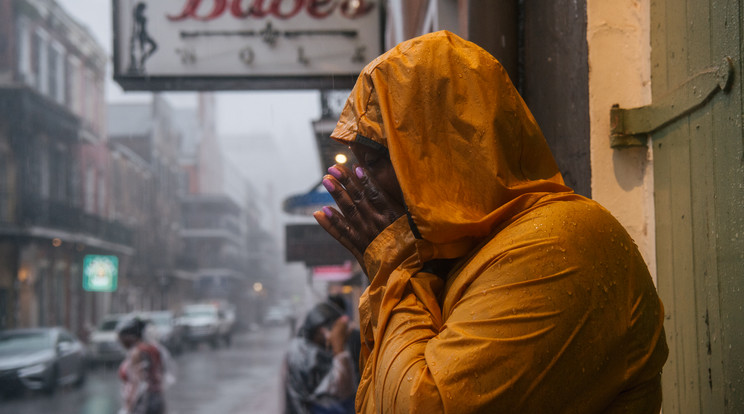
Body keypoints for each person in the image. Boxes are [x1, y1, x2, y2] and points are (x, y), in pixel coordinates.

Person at [314, 30, 668, 413]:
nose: (365, 185)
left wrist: (393, 264)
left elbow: (420, 406)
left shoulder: (560, 243)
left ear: (437, 149)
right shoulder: (456, 256)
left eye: (377, 161)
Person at [283, 301, 357, 414]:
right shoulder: (301, 350)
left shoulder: (323, 347)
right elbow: (339, 389)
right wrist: (339, 348)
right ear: (321, 329)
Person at [117, 317, 167, 414]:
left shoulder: (137, 352)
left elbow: (136, 384)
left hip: (143, 403)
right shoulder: (153, 349)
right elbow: (162, 373)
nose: (120, 341)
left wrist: (127, 409)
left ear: (130, 337)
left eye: (122, 338)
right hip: (157, 399)